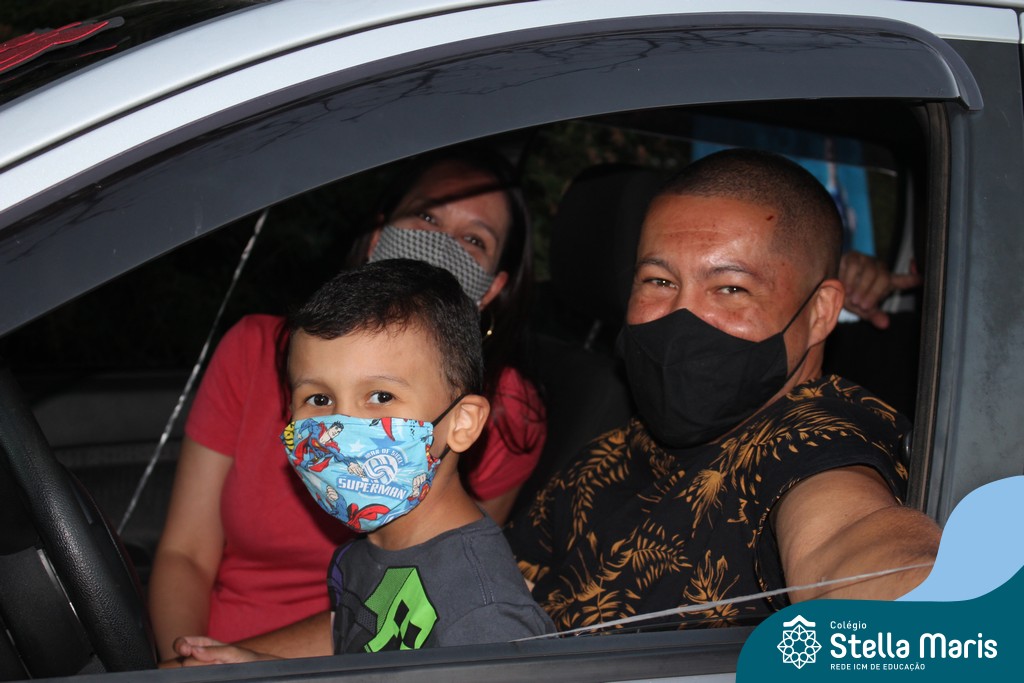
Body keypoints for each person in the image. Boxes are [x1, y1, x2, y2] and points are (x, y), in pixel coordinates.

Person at [504, 148, 941, 630]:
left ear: (819, 312)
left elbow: (854, 546)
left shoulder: (813, 444)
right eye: (659, 281)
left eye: (731, 288)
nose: (681, 318)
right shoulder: (609, 454)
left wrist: (937, 622)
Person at [149, 145, 546, 659]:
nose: (343, 423)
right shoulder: (364, 555)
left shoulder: (477, 599)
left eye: (474, 239)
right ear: (379, 234)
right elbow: (366, 630)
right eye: (427, 216)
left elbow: (442, 590)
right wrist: (197, 665)